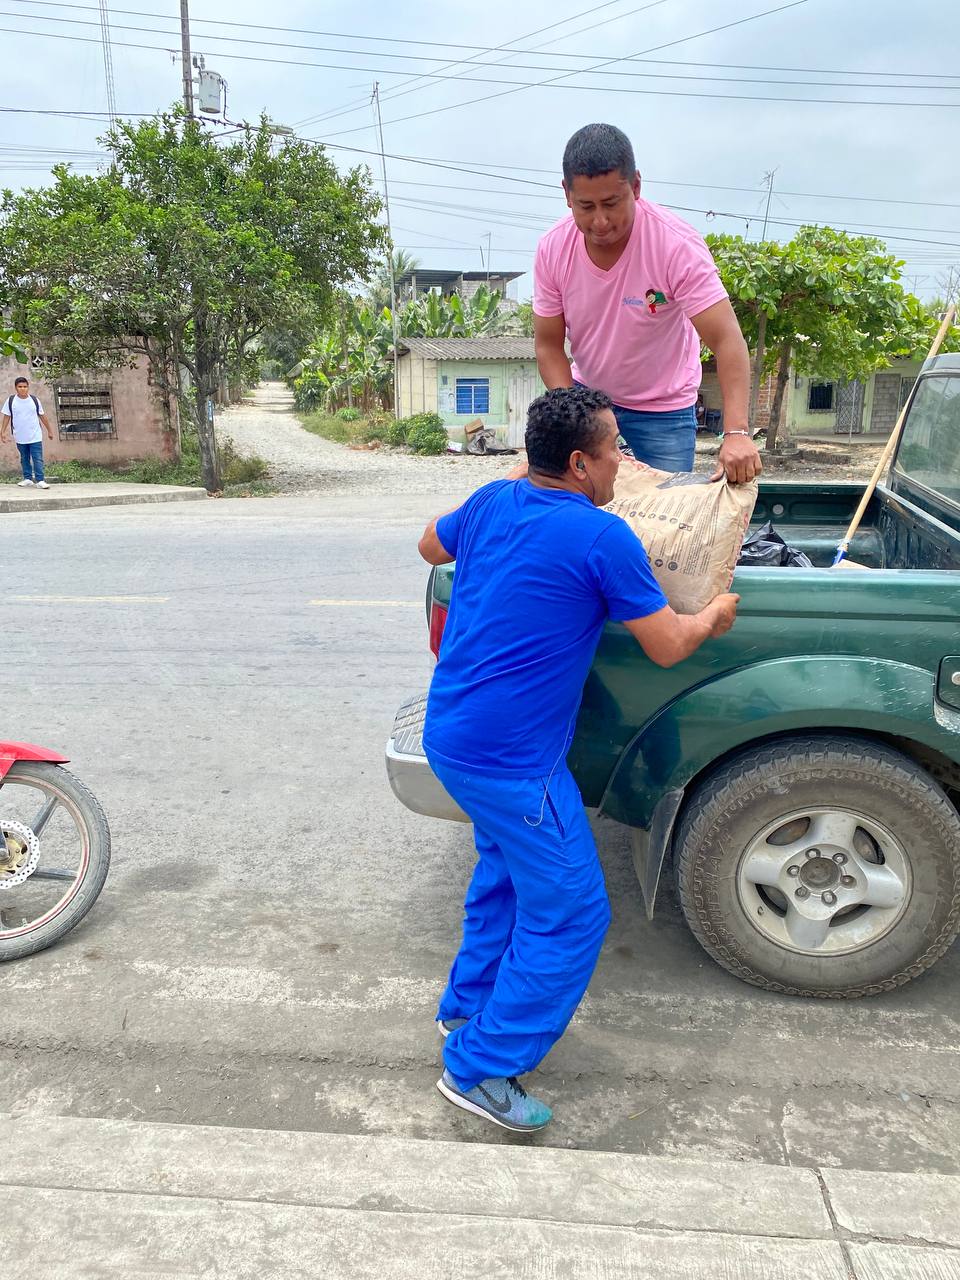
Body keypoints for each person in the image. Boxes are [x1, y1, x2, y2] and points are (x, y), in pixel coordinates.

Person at [418, 386, 739, 1133]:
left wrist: (503, 493)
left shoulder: (493, 501)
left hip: (453, 736)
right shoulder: (603, 537)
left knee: (504, 875)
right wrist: (711, 617)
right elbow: (667, 646)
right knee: (572, 914)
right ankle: (480, 1067)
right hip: (513, 762)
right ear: (578, 463)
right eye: (612, 449)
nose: (622, 461)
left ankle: (466, 1008)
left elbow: (430, 545)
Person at [533, 123, 762, 484]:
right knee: (580, 507)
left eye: (611, 203)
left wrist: (736, 432)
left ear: (636, 186)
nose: (600, 221)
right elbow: (548, 345)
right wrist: (574, 416)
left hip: (663, 413)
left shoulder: (675, 245)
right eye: (586, 206)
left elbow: (726, 338)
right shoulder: (553, 249)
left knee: (664, 511)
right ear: (566, 194)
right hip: (587, 400)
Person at [1, 377, 53, 488]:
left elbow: (42, 416)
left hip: (35, 435)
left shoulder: (34, 400)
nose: (23, 389)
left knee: (37, 458)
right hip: (20, 436)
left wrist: (49, 430)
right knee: (24, 458)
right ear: (16, 388)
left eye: (25, 386)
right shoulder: (11, 401)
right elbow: (6, 417)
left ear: (28, 387)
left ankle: (40, 480)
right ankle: (27, 479)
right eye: (20, 387)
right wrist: (2, 432)